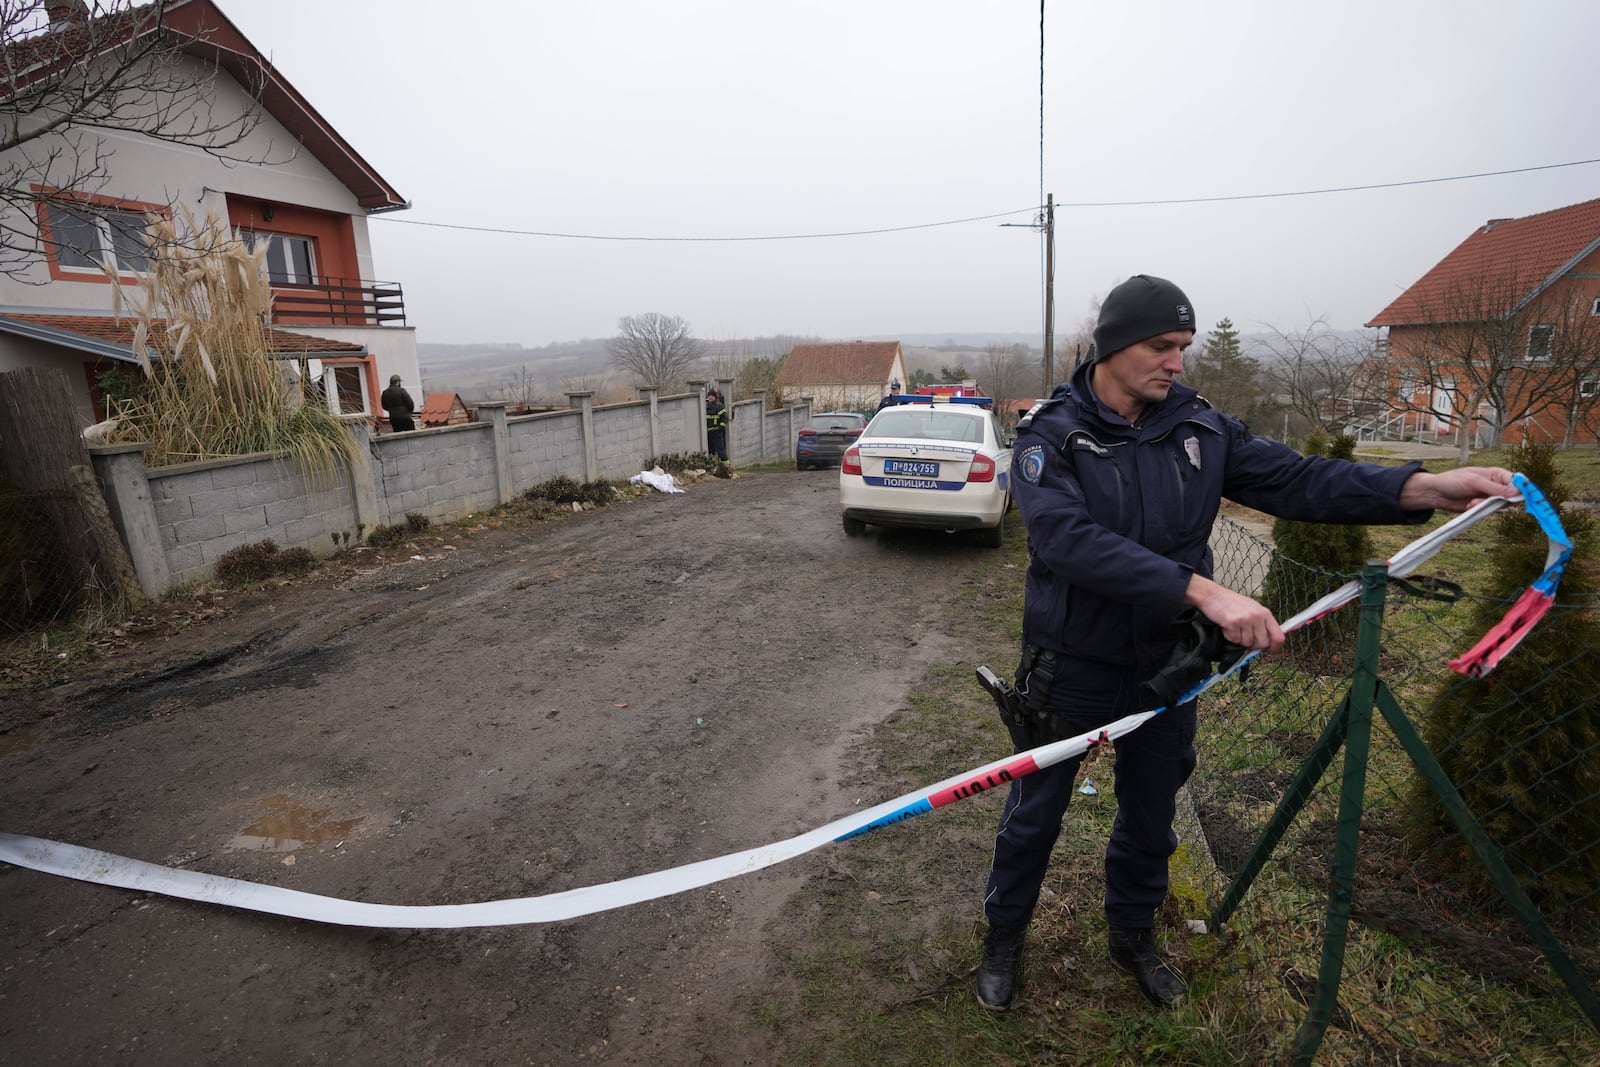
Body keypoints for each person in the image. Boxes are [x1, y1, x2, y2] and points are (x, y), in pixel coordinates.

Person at [975, 274, 1514, 1012]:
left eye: (1184, 348)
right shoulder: (1052, 435)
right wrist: (1203, 590)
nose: (1177, 363)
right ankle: (1003, 937)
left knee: (1151, 814)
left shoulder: (1201, 429)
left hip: (1169, 666)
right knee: (1035, 812)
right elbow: (1068, 541)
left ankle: (1131, 936)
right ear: (1113, 345)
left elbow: (1302, 482)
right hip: (1071, 664)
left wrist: (1420, 489)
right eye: (1162, 346)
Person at [705, 387, 729, 460]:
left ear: (715, 397)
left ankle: (726, 467)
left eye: (712, 396)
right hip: (708, 433)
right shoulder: (705, 406)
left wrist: (721, 427)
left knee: (720, 451)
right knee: (710, 451)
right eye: (709, 395)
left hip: (717, 432)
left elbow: (725, 418)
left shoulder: (719, 406)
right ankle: (713, 467)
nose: (710, 397)